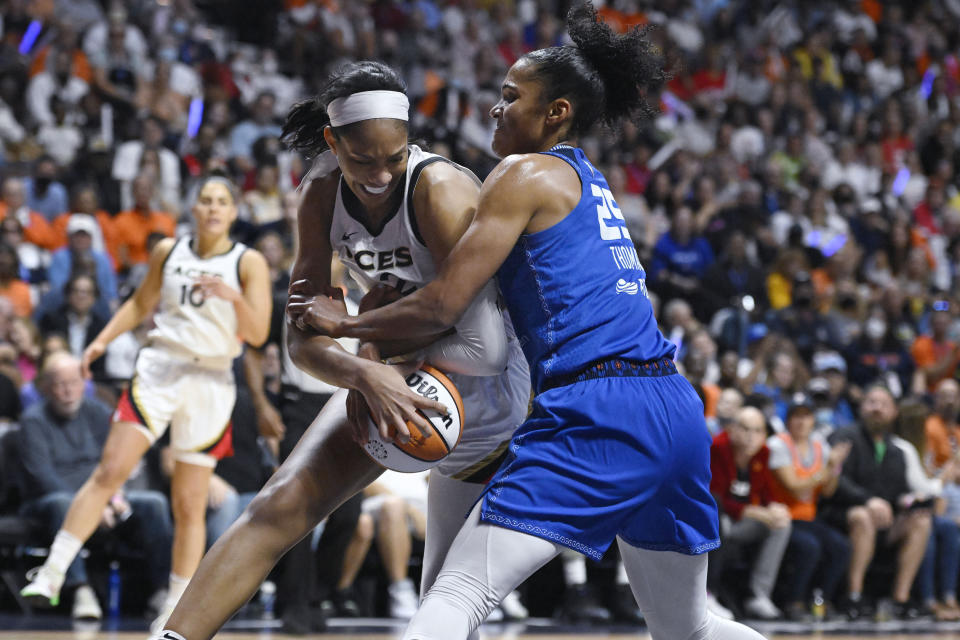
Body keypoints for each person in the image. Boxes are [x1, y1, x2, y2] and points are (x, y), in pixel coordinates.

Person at [289, 5, 766, 639]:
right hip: (673, 408)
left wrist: (343, 322)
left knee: (455, 594)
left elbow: (442, 307)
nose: (496, 107)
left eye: (511, 96)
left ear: (556, 113)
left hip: (599, 404)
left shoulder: (521, 173)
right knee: (691, 630)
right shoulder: (589, 181)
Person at [152, 60, 529, 640]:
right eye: (362, 159)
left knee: (447, 600)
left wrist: (363, 331)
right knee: (280, 504)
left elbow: (483, 347)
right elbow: (301, 340)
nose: (379, 175)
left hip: (495, 391)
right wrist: (362, 372)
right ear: (333, 141)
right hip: (405, 374)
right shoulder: (320, 192)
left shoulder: (441, 188)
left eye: (393, 157)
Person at [20, 176, 272, 634]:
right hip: (161, 369)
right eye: (205, 201)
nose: (213, 208)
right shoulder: (167, 252)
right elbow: (139, 304)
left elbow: (257, 335)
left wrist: (232, 296)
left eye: (222, 202)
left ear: (234, 213)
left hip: (211, 380)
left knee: (190, 504)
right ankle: (53, 571)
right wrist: (100, 342)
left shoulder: (247, 262)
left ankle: (173, 613)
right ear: (192, 209)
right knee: (110, 470)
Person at [17, 351, 172, 620]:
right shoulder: (33, 421)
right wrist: (91, 505)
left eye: (74, 383)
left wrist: (112, 498)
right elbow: (42, 478)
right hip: (50, 502)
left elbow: (117, 460)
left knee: (154, 503)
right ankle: (81, 590)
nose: (68, 391)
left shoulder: (98, 412)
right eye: (59, 384)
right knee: (63, 504)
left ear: (84, 384)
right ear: (46, 387)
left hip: (105, 496)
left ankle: (161, 591)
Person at [709, 406, 791, 621]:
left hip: (744, 521)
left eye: (757, 431)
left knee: (782, 523)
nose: (750, 436)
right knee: (720, 524)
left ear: (764, 434)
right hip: (719, 517)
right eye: (745, 429)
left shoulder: (762, 453)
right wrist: (753, 511)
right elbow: (713, 497)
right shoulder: (717, 448)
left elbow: (766, 492)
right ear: (732, 429)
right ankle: (710, 594)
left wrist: (774, 508)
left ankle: (758, 595)